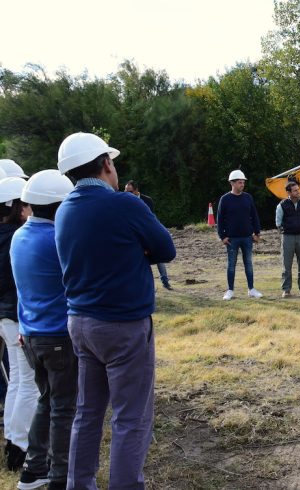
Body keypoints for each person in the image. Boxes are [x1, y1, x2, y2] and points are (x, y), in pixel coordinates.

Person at [54, 132, 176, 489]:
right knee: (130, 417)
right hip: (122, 325)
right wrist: (137, 252)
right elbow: (166, 249)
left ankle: (79, 484)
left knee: (87, 413)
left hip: (80, 323)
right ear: (106, 163)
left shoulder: (64, 210)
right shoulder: (124, 204)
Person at [12, 170, 75, 490]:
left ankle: (33, 469)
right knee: (63, 408)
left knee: (47, 401)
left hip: (31, 335)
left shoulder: (19, 236)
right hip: (58, 336)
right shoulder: (56, 239)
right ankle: (60, 476)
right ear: (59, 206)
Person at [0, 176, 37, 473]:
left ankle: (13, 440)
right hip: (17, 315)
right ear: (18, 207)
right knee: (28, 383)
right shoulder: (18, 236)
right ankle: (21, 448)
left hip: (5, 317)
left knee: (16, 381)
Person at [217, 170, 262, 300]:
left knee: (249, 263)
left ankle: (251, 289)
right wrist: (222, 236)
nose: (242, 184)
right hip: (231, 239)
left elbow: (254, 215)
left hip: (247, 237)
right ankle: (230, 290)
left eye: (243, 182)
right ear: (232, 183)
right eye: (239, 182)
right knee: (231, 265)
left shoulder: (248, 197)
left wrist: (257, 233)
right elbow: (220, 219)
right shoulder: (225, 199)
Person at [125, 180, 172, 290]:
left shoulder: (147, 200)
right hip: (134, 234)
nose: (127, 194)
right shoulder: (124, 201)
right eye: (125, 191)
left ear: (136, 191)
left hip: (147, 233)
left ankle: (165, 281)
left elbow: (150, 219)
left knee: (159, 257)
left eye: (129, 192)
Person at [276, 182, 300, 298]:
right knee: (286, 265)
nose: (298, 192)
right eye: (295, 190)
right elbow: (278, 222)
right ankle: (286, 290)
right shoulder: (282, 205)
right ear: (289, 192)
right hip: (287, 237)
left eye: (298, 189)